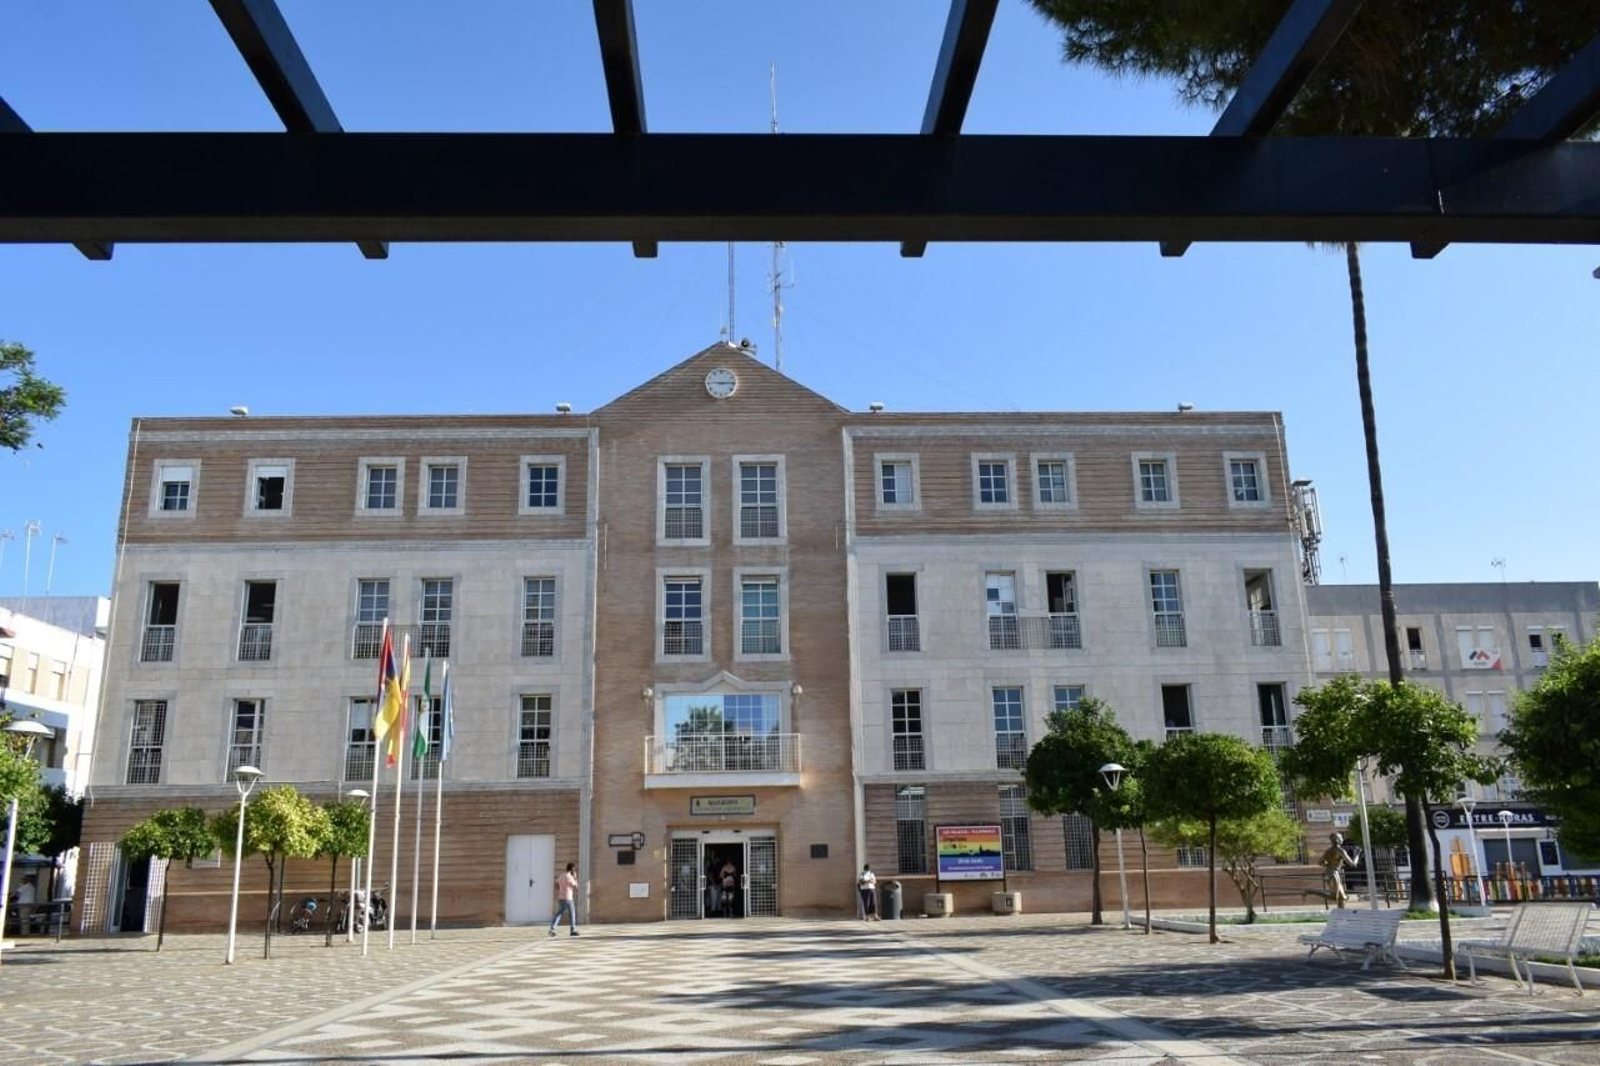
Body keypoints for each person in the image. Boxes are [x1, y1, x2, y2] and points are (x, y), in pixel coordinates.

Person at [1318, 832, 1358, 907]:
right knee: (1336, 897)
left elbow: (1320, 862)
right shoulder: (1340, 850)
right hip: (1334, 875)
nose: (1342, 839)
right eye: (1341, 837)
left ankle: (1342, 915)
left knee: (1341, 898)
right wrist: (1357, 855)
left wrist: (1330, 865)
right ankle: (1310, 892)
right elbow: (1353, 864)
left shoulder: (1328, 851)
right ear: (1337, 840)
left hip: (1328, 873)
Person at [549, 862, 579, 937]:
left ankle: (552, 929)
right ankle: (573, 930)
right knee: (572, 914)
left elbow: (556, 883)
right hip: (568, 898)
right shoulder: (569, 877)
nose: (574, 871)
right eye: (574, 869)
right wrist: (575, 877)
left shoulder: (562, 875)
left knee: (559, 913)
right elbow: (576, 887)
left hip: (561, 898)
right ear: (572, 869)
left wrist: (560, 889)